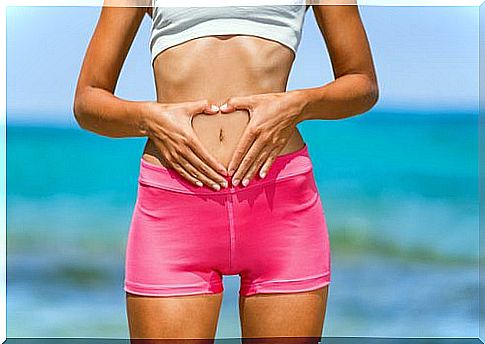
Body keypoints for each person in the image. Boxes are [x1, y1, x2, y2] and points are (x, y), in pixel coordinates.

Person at [73, 0, 378, 341]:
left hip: (279, 203)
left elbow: (362, 84)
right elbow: (88, 101)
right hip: (176, 205)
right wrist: (150, 118)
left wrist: (298, 104)